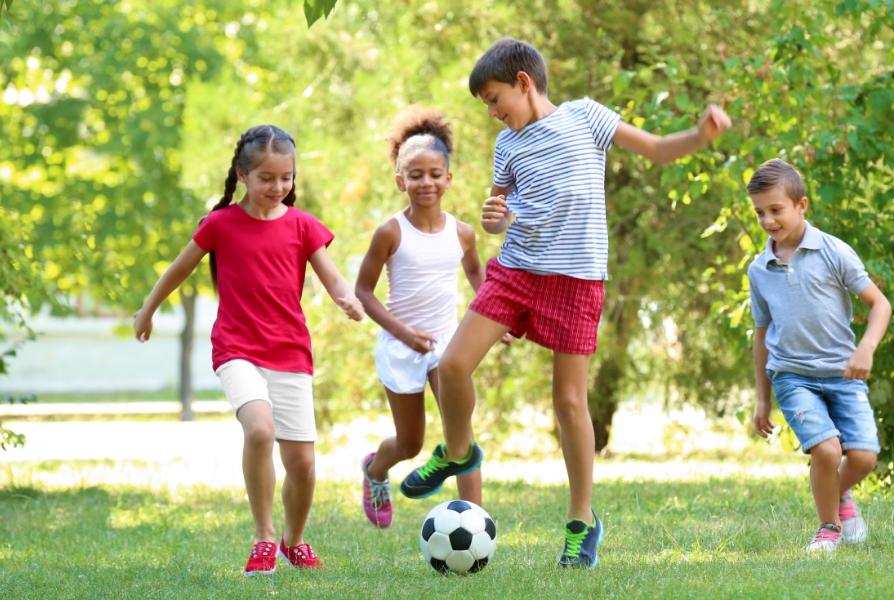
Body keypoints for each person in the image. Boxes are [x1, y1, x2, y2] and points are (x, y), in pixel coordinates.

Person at [398, 37, 731, 568]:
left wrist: (700, 134)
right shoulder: (507, 146)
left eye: (493, 98)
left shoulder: (586, 117)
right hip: (516, 271)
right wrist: (495, 220)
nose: (491, 112)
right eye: (484, 104)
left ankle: (581, 523)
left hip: (576, 280)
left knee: (570, 403)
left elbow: (655, 149)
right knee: (454, 365)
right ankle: (456, 452)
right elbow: (504, 211)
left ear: (524, 83)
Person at [133, 125, 365, 575]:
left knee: (301, 464)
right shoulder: (220, 224)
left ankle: (292, 540)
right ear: (242, 174)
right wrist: (147, 310)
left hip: (290, 351)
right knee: (259, 430)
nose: (278, 187)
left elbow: (331, 275)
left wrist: (346, 298)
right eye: (266, 178)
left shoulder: (303, 225)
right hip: (237, 347)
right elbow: (179, 269)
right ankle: (262, 537)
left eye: (286, 178)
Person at [354, 106, 507, 528]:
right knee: (410, 443)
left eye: (435, 173)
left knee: (461, 436)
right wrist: (403, 333)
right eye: (416, 175)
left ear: (449, 178)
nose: (427, 182)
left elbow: (477, 272)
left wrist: (495, 316)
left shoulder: (462, 232)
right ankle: (375, 470)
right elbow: (363, 293)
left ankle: (474, 522)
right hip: (400, 345)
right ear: (400, 180)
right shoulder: (390, 232)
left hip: (447, 345)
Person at [746, 158, 892, 553]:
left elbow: (880, 305)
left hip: (843, 372)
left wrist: (866, 348)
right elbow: (761, 335)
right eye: (760, 212)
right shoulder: (759, 269)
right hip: (791, 375)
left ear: (801, 205)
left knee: (863, 457)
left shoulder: (833, 251)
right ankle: (828, 527)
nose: (768, 220)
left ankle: (838, 495)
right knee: (826, 451)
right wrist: (763, 397)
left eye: (776, 210)